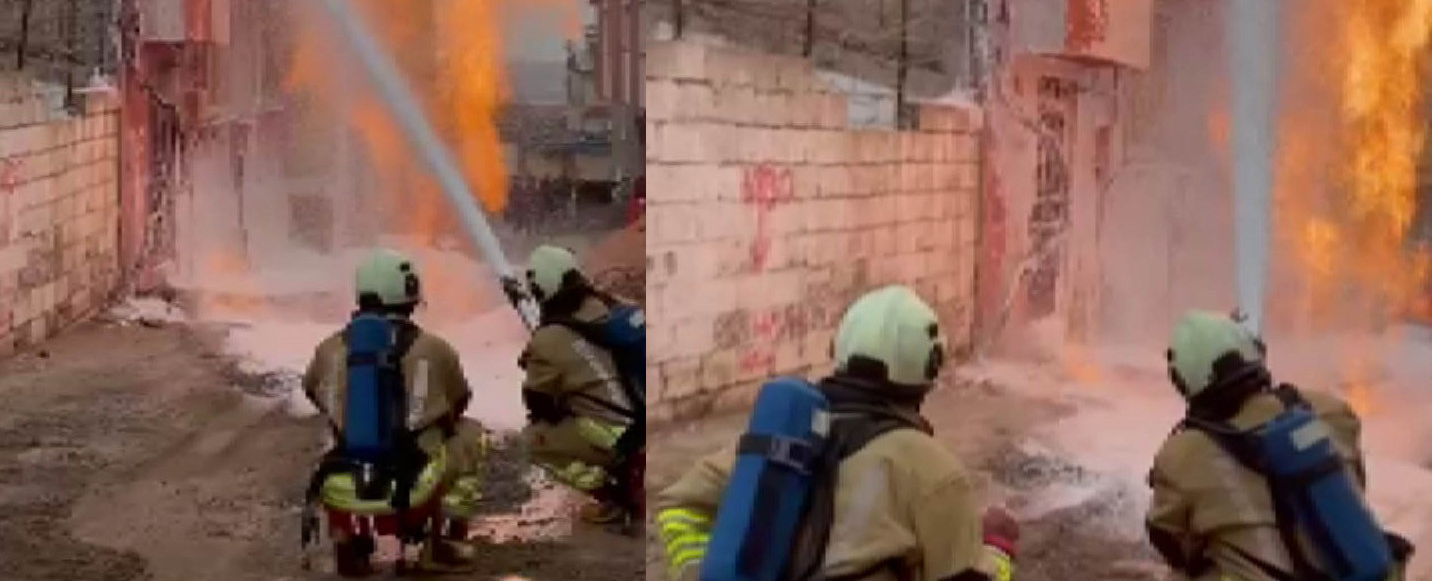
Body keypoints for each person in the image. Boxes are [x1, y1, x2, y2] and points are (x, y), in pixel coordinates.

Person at [655, 285, 1020, 581]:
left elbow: (678, 506)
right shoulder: (934, 472)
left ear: (840, 350)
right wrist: (997, 549)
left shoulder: (776, 441)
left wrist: (698, 571)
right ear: (930, 369)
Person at [1146, 311, 1415, 581]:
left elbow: (1170, 541)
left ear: (1184, 384)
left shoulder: (1181, 455)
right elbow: (1354, 484)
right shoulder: (1330, 411)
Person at [302, 247, 487, 571]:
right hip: (414, 482)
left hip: (344, 477)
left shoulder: (328, 349)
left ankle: (347, 541)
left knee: (333, 438)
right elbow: (459, 400)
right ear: (410, 293)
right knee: (471, 434)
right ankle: (443, 541)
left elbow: (313, 391)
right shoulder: (435, 348)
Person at [517, 244, 643, 523]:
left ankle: (613, 498)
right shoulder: (610, 308)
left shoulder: (549, 337)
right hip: (644, 422)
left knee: (534, 441)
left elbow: (537, 403)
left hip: (618, 433)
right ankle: (629, 472)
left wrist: (537, 362)